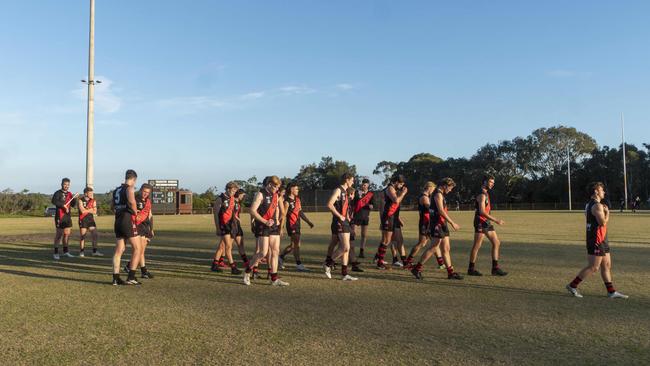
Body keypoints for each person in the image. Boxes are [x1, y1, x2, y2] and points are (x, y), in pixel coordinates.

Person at [566, 182, 628, 299]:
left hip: (602, 238)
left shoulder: (589, 205)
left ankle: (611, 292)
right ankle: (572, 285)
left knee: (607, 265)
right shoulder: (597, 206)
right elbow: (602, 222)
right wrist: (608, 213)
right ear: (596, 192)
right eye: (601, 190)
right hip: (596, 239)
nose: (603, 192)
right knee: (593, 267)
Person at [411, 178, 463, 280]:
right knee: (434, 247)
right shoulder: (438, 194)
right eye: (450, 188)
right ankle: (417, 268)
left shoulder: (440, 194)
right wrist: (452, 223)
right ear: (445, 185)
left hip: (442, 223)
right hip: (437, 224)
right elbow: (441, 211)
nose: (450, 190)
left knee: (446, 248)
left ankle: (450, 273)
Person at [243, 176, 288, 286]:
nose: (277, 189)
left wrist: (277, 220)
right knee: (263, 252)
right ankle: (247, 271)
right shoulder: (260, 194)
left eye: (278, 187)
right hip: (263, 225)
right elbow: (252, 211)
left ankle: (274, 278)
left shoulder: (276, 195)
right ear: (269, 184)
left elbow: (279, 209)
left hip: (273, 226)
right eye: (275, 187)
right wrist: (265, 221)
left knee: (275, 251)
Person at [467, 175, 507, 276]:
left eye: (493, 183)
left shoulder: (485, 193)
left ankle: (493, 268)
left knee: (494, 243)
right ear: (484, 182)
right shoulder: (482, 194)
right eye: (490, 182)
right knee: (481, 244)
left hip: (485, 221)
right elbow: (482, 212)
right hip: (481, 221)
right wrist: (496, 220)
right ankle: (473, 269)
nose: (492, 184)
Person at [323, 173, 358, 281]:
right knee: (345, 247)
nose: (353, 182)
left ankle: (344, 274)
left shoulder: (346, 192)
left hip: (345, 222)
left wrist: (347, 216)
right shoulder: (338, 190)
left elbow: (344, 206)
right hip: (339, 222)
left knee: (346, 250)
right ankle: (328, 264)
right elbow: (329, 204)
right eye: (352, 180)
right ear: (347, 180)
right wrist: (340, 216)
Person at [111, 169, 143, 285]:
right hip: (127, 220)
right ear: (134, 179)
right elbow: (132, 202)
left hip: (118, 220)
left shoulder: (116, 190)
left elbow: (112, 206)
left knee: (119, 250)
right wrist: (135, 213)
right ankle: (131, 277)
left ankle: (115, 278)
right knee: (138, 249)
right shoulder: (129, 188)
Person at [404, 182, 445, 270]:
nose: (434, 191)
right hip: (425, 223)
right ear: (429, 187)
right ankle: (408, 262)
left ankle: (441, 263)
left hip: (429, 222)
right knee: (422, 243)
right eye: (433, 189)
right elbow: (430, 208)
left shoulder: (427, 197)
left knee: (435, 243)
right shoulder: (424, 197)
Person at [373, 175, 408, 270]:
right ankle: (379, 262)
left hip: (394, 218)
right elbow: (396, 201)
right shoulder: (390, 188)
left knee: (399, 240)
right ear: (396, 182)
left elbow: (393, 206)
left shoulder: (394, 189)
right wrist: (403, 193)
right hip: (388, 218)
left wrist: (398, 218)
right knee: (386, 240)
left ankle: (405, 262)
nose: (401, 186)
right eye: (400, 184)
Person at [279, 182, 314, 272]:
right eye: (296, 189)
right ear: (291, 189)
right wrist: (281, 228)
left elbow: (300, 212)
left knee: (292, 245)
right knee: (297, 245)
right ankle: (299, 264)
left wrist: (308, 221)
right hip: (291, 225)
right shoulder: (286, 202)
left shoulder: (298, 199)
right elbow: (283, 215)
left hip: (297, 225)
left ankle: (280, 257)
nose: (298, 190)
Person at [211, 182, 242, 275]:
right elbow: (216, 215)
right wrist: (217, 228)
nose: (234, 192)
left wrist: (236, 218)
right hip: (223, 225)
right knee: (228, 246)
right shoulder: (220, 199)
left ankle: (214, 265)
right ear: (228, 189)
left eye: (235, 191)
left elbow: (231, 211)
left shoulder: (232, 198)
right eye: (233, 190)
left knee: (222, 246)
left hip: (230, 225)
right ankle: (233, 267)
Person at [124, 183, 155, 279]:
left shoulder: (148, 201)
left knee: (142, 251)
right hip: (137, 226)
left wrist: (151, 228)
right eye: (144, 191)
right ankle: (143, 271)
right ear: (141, 190)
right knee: (140, 250)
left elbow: (150, 215)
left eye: (148, 192)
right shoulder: (134, 198)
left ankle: (130, 266)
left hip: (146, 227)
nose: (145, 194)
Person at [52, 178, 76, 259]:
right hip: (60, 216)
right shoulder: (57, 193)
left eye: (68, 185)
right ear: (62, 184)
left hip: (67, 217)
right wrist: (63, 206)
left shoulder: (69, 194)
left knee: (67, 234)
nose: (66, 186)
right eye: (65, 184)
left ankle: (66, 251)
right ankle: (55, 252)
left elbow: (73, 204)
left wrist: (75, 198)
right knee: (59, 235)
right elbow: (54, 202)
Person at [352, 178, 373, 258]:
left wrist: (369, 205)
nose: (363, 186)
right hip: (356, 216)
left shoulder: (371, 194)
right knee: (353, 234)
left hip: (365, 216)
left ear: (368, 185)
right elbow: (353, 203)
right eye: (362, 184)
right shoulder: (357, 193)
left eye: (365, 185)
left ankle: (361, 251)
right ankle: (352, 251)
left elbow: (372, 205)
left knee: (364, 235)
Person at [77, 186, 102, 257]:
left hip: (91, 220)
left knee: (95, 235)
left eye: (92, 193)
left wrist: (87, 210)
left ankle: (94, 251)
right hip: (83, 220)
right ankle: (81, 252)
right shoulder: (80, 200)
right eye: (90, 193)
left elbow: (95, 211)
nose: (91, 194)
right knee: (83, 236)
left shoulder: (93, 200)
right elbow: (82, 211)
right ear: (85, 193)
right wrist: (90, 210)